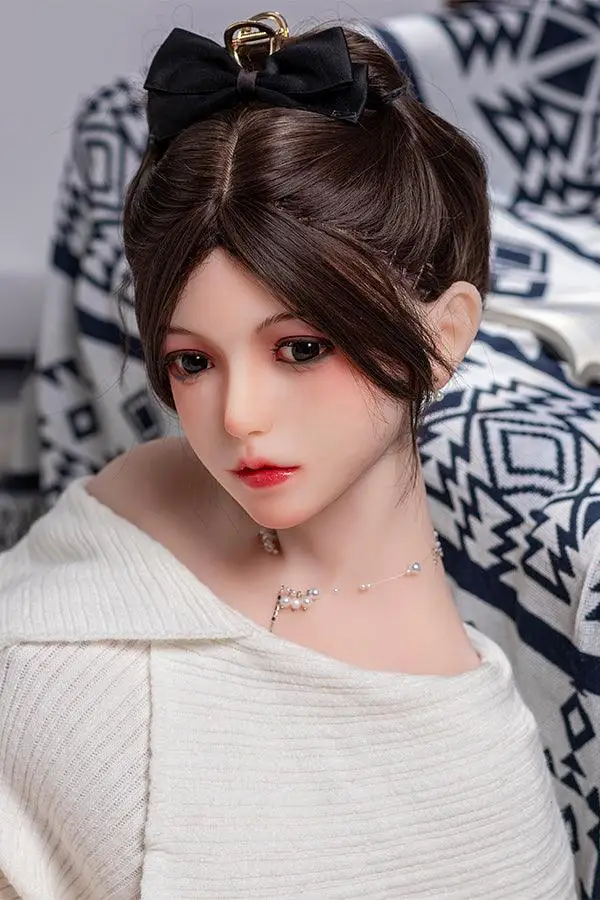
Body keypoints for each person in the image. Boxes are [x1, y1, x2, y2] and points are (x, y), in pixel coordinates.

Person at [0, 12, 576, 898]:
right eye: (193, 361)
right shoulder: (128, 511)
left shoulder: (473, 800)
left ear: (444, 335)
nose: (238, 417)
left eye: (301, 349)